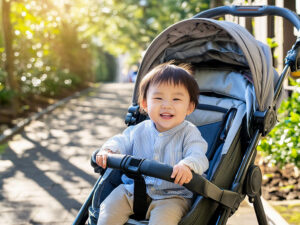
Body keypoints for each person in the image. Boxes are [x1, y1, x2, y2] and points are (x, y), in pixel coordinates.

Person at [96, 62, 209, 225]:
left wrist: (187, 165)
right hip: (132, 191)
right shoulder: (138, 130)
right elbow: (121, 140)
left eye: (176, 99)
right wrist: (109, 150)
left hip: (172, 196)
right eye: (158, 98)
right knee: (107, 209)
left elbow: (198, 155)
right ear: (144, 104)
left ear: (190, 107)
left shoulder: (189, 133)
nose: (167, 105)